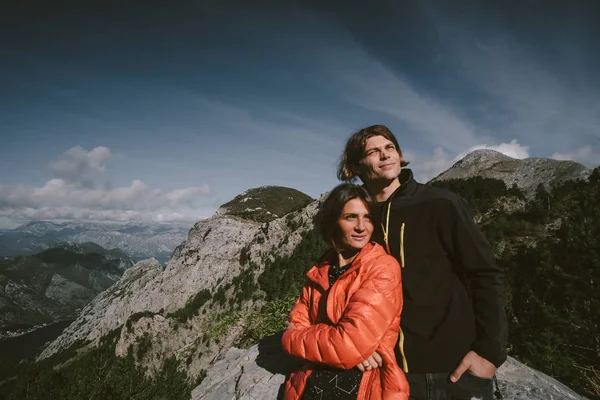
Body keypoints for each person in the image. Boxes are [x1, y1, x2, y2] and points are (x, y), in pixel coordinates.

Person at [336, 125, 508, 400]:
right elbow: (340, 290)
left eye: (389, 148)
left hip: (454, 370)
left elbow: (485, 274)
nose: (385, 155)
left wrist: (489, 353)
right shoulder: (359, 221)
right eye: (373, 151)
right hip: (389, 372)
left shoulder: (440, 203)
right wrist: (351, 346)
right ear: (356, 166)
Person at [281, 183, 409, 400]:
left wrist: (291, 338)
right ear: (333, 222)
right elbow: (298, 322)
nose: (362, 226)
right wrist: (347, 345)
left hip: (363, 387)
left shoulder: (382, 267)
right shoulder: (322, 269)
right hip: (309, 386)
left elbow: (345, 345)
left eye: (367, 217)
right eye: (351, 217)